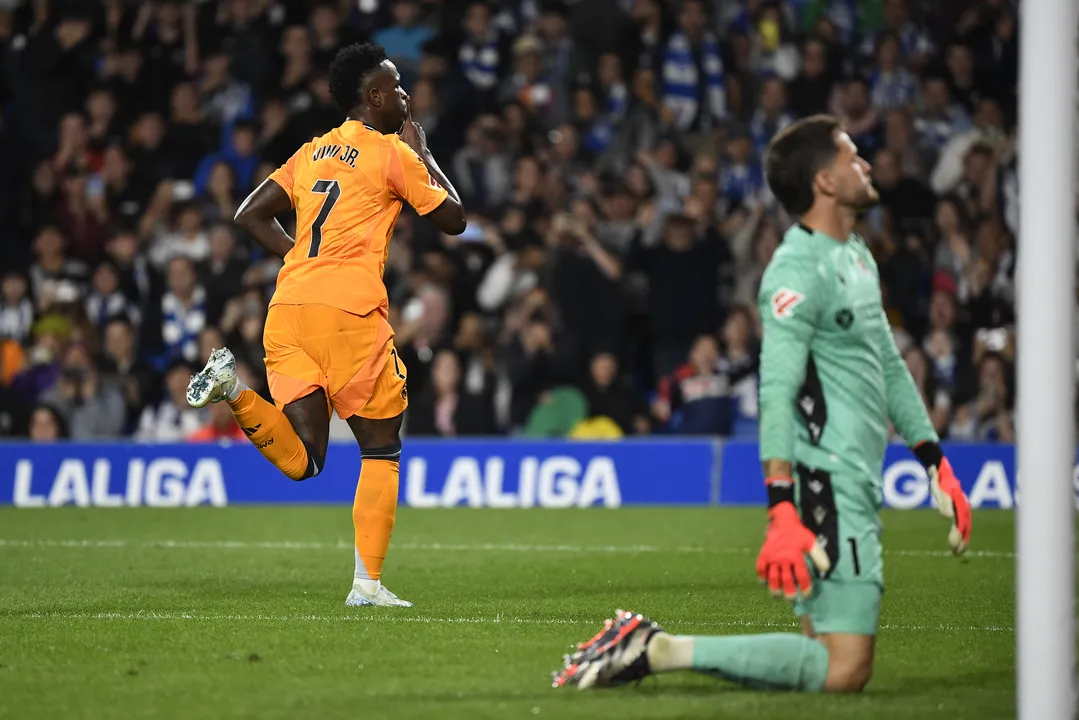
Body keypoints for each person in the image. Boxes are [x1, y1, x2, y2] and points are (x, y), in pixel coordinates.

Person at [552, 115, 972, 693]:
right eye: (853, 156)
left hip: (849, 472)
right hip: (825, 480)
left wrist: (936, 463)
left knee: (820, 655)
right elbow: (776, 387)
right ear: (824, 181)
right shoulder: (795, 270)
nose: (866, 165)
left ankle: (652, 647)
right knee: (844, 669)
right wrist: (781, 507)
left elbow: (891, 367)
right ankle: (656, 649)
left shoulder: (856, 255)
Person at [185, 43, 465, 608]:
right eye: (399, 87)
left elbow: (248, 214)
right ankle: (367, 586)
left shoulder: (311, 151)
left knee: (307, 458)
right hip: (349, 313)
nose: (407, 98)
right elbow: (454, 220)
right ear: (376, 95)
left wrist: (301, 262)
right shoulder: (391, 153)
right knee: (381, 445)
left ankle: (234, 391)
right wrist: (426, 154)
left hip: (288, 309)